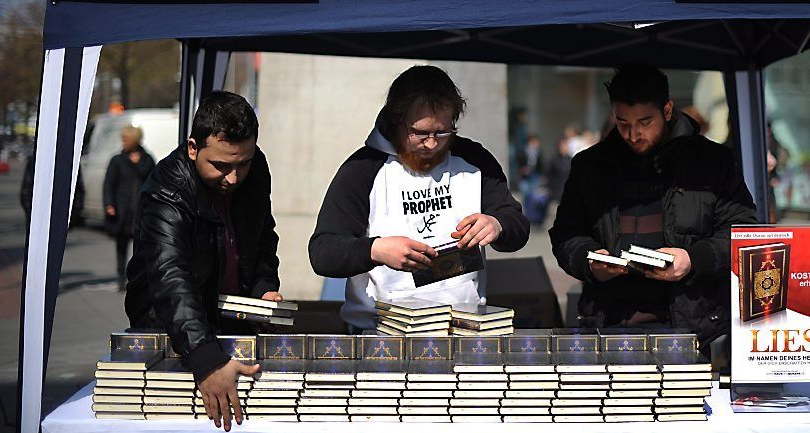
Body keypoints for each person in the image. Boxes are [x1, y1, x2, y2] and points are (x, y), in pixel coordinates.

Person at [549, 64, 756, 356]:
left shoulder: (712, 161)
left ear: (668, 110)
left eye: (645, 122)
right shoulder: (590, 166)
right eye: (623, 123)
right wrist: (590, 262)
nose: (634, 134)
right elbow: (566, 234)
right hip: (608, 323)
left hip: (689, 326)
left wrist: (693, 260)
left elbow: (743, 231)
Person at [309, 65, 530, 331]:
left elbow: (517, 224)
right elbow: (323, 251)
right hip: (381, 332)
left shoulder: (475, 160)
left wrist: (497, 224)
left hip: (463, 327)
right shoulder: (363, 168)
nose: (432, 143)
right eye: (420, 133)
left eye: (443, 132)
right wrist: (376, 250)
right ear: (396, 121)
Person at [124, 91, 283, 432]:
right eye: (221, 166)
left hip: (231, 325)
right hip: (169, 331)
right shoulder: (166, 188)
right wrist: (205, 359)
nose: (233, 177)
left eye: (244, 163)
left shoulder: (256, 169)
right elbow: (170, 276)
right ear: (193, 148)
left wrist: (264, 287)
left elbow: (263, 235)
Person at [103, 125, 155, 290]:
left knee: (139, 247)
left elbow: (153, 183)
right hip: (122, 210)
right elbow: (109, 185)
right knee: (121, 245)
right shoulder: (117, 160)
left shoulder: (147, 159)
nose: (123, 142)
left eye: (126, 139)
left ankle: (136, 278)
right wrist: (109, 204)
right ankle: (120, 277)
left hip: (141, 210)